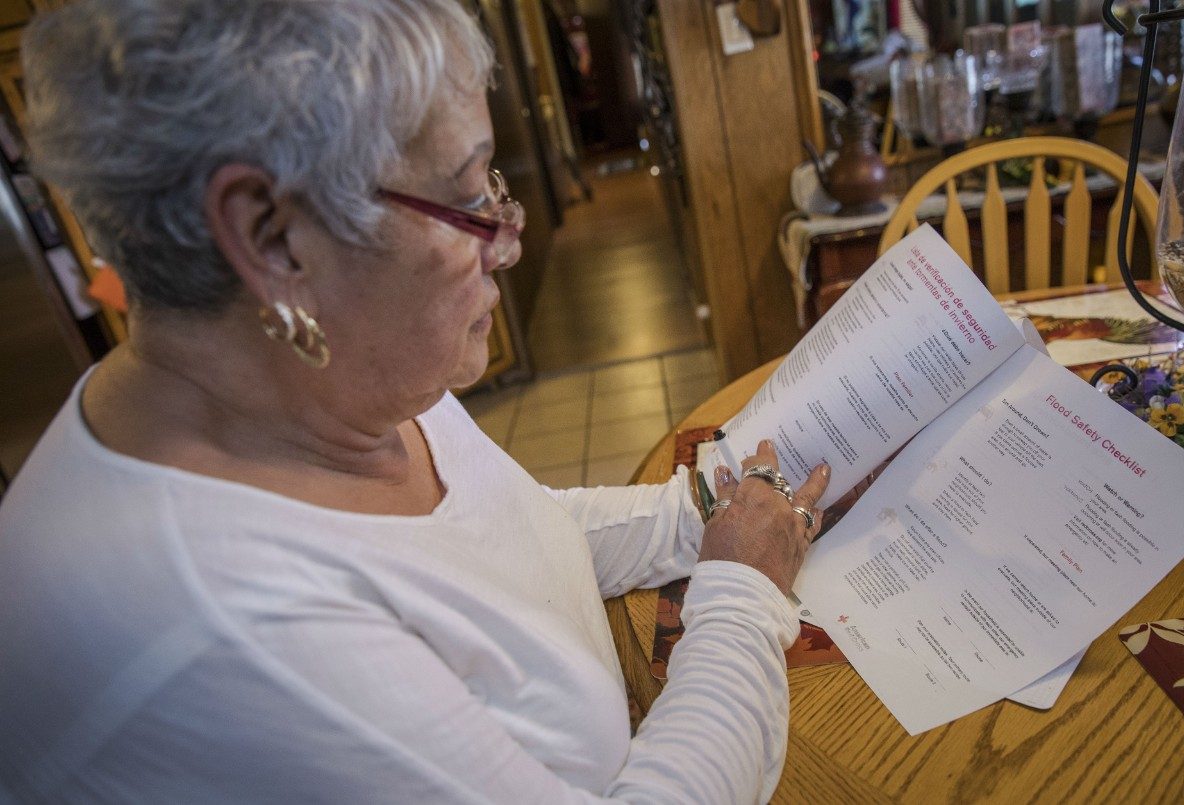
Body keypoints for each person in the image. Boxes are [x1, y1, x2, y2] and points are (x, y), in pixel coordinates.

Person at [0, 1, 831, 801]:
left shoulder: (327, 366)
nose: (507, 237)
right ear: (273, 238)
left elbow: (512, 536)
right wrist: (741, 592)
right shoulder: (226, 622)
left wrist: (705, 522)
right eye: (468, 196)